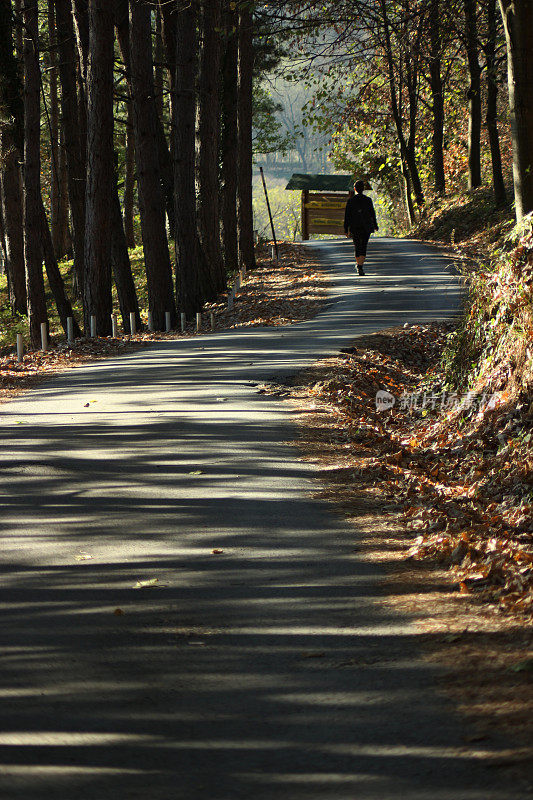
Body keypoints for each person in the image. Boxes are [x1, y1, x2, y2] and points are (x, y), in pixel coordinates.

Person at [344, 180, 379, 275]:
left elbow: (347, 216)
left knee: (357, 246)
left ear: (354, 189)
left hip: (354, 226)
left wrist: (345, 229)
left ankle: (359, 265)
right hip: (366, 226)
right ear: (363, 189)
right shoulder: (368, 200)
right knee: (364, 246)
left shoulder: (351, 201)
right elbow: (372, 214)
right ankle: (360, 266)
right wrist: (375, 225)